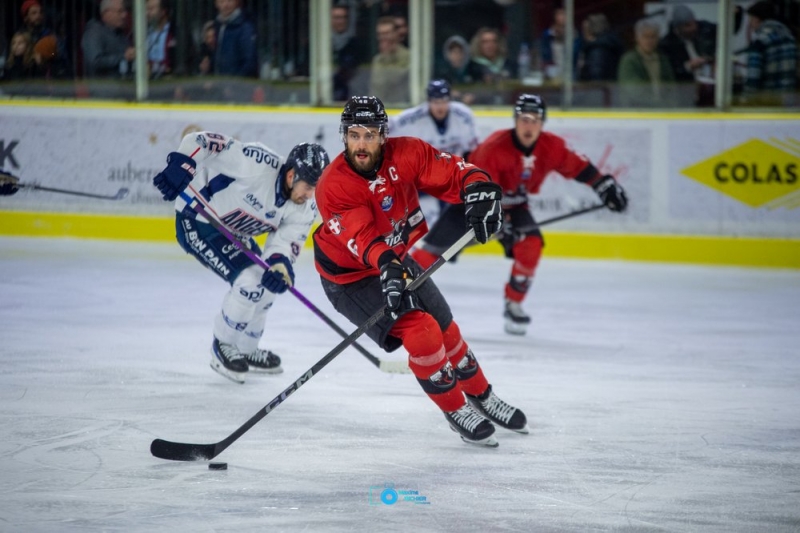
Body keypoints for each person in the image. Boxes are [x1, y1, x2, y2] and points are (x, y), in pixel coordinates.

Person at [312, 95, 528, 447]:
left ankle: (482, 395)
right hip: (350, 278)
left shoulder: (407, 152)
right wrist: (388, 265)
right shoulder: (333, 185)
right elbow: (362, 238)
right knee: (422, 331)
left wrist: (478, 186)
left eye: (370, 135)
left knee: (445, 327)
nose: (361, 144)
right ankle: (456, 409)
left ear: (383, 134)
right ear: (344, 136)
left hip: (394, 261)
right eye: (354, 135)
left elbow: (451, 171)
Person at [411, 94, 628, 336]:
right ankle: (402, 293)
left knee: (531, 244)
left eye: (535, 120)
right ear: (515, 120)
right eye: (525, 119)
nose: (529, 126)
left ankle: (513, 303)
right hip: (471, 204)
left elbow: (577, 165)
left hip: (514, 207)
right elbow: (479, 187)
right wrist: (497, 220)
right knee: (429, 254)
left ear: (542, 123)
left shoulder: (552, 146)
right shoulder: (493, 147)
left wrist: (603, 185)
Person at [151, 133, 330, 384]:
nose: (311, 195)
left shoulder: (305, 207)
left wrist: (280, 266)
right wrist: (183, 163)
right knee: (249, 281)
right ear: (291, 175)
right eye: (309, 187)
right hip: (197, 218)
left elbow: (285, 243)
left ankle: (246, 349)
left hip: (234, 232)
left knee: (267, 284)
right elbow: (202, 141)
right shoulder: (256, 163)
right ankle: (223, 345)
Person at [389, 79, 479, 225]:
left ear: (449, 100)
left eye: (444, 101)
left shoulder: (464, 116)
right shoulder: (412, 119)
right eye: (436, 102)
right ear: (429, 101)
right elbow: (385, 128)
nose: (440, 106)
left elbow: (472, 152)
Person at [658, 4, 717, 106]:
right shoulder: (666, 45)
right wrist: (688, 66)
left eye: (694, 23)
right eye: (688, 25)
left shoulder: (703, 30)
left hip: (707, 90)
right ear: (678, 28)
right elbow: (669, 74)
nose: (694, 27)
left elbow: (725, 29)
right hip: (683, 95)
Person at [742, 0, 797, 104]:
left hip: (769, 102)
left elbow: (753, 77)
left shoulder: (760, 41)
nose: (751, 25)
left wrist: (747, 101)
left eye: (751, 19)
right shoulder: (790, 39)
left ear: (756, 19)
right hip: (789, 102)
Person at [617, 18, 677, 108]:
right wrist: (659, 106)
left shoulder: (663, 59)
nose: (649, 41)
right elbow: (635, 91)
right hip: (637, 111)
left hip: (664, 111)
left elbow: (671, 88)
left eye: (653, 37)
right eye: (645, 37)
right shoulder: (629, 60)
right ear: (637, 38)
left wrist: (671, 106)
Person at [81, 0, 135, 78]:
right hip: (103, 84)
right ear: (107, 13)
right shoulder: (94, 32)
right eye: (120, 11)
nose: (124, 15)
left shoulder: (120, 34)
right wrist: (123, 57)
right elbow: (95, 62)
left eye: (124, 11)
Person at [368, 16, 410, 103]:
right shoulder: (377, 60)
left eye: (386, 33)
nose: (383, 37)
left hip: (400, 107)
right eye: (380, 34)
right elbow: (375, 88)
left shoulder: (408, 57)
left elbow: (393, 80)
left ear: (396, 33)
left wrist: (387, 56)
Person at [212, 0, 257, 77]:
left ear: (236, 2)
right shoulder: (218, 25)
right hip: (221, 79)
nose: (226, 5)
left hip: (235, 81)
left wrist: (236, 80)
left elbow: (249, 61)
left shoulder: (245, 27)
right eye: (222, 1)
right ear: (216, 3)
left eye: (229, 1)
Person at [577, 13, 623, 82]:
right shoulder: (609, 45)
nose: (583, 34)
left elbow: (596, 77)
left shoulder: (597, 50)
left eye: (585, 30)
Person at [331, 3, 360, 101]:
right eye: (337, 18)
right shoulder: (321, 45)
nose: (341, 21)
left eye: (344, 17)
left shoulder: (356, 44)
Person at [145, 0, 177, 79]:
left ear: (163, 11)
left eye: (151, 9)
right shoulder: (144, 33)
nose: (147, 13)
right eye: (146, 9)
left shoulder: (174, 32)